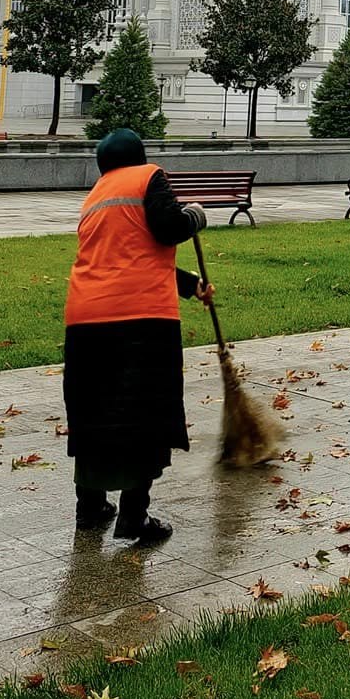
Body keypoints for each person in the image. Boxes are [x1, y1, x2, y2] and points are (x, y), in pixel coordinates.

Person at [64, 128, 213, 544]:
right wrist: (196, 216)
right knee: (144, 413)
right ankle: (134, 517)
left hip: (85, 320)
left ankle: (90, 509)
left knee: (94, 414)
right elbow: (167, 228)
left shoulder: (95, 197)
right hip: (140, 322)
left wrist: (190, 285)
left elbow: (129, 253)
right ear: (139, 155)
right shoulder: (148, 176)